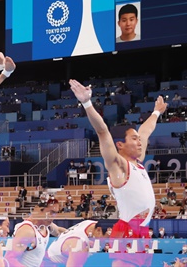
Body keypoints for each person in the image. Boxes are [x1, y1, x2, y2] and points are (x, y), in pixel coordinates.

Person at [69, 79, 167, 265]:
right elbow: (103, 132)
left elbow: (145, 131)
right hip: (127, 229)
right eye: (134, 139)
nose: (139, 142)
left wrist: (156, 112)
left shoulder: (137, 162)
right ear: (120, 144)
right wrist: (87, 103)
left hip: (144, 231)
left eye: (139, 140)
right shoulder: (118, 166)